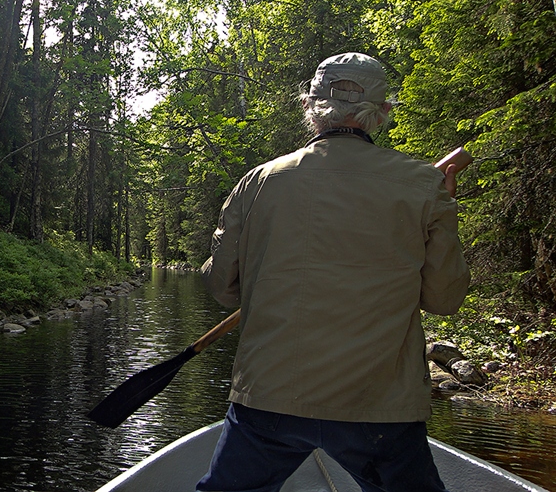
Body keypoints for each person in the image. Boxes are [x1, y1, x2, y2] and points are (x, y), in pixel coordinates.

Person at [197, 52, 470, 492]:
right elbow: (444, 299)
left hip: (270, 400)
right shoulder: (424, 186)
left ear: (310, 106)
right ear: (383, 111)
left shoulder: (259, 181)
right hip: (379, 407)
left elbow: (222, 288)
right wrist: (443, 210)